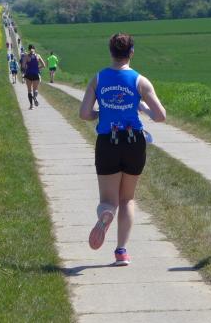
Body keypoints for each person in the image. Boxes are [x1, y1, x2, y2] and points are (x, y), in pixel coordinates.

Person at [79, 33, 166, 265]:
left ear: (111, 52)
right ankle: (121, 251)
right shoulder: (140, 81)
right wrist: (142, 108)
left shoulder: (98, 78)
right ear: (131, 53)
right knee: (127, 199)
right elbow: (160, 116)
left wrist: (102, 113)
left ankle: (105, 214)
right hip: (134, 142)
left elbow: (84, 114)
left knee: (108, 200)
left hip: (108, 141)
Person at [23, 45, 46, 109]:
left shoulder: (26, 56)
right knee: (35, 89)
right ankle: (34, 97)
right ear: (34, 49)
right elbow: (44, 65)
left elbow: (23, 66)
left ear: (28, 49)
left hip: (28, 74)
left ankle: (31, 106)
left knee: (29, 90)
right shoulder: (38, 56)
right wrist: (37, 68)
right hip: (36, 74)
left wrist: (27, 68)